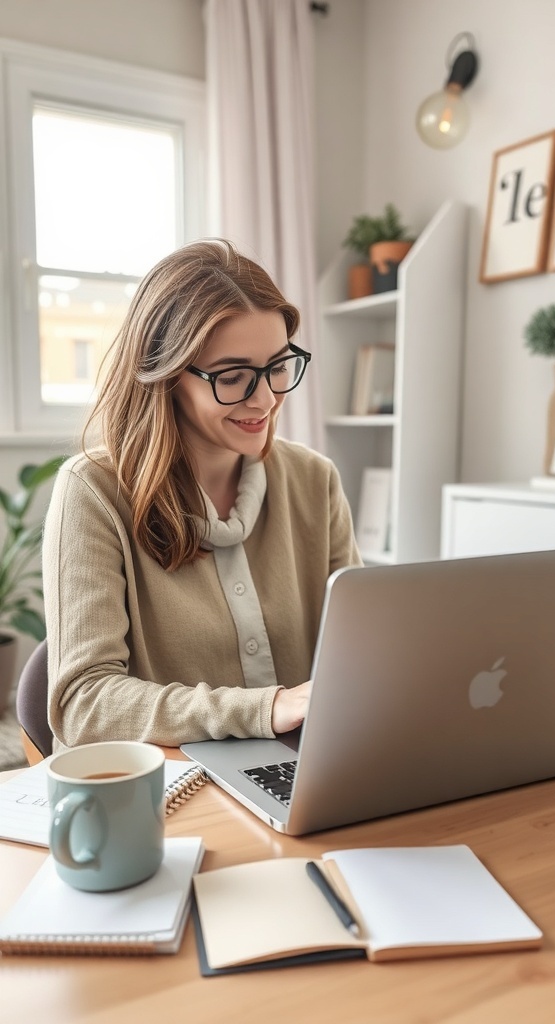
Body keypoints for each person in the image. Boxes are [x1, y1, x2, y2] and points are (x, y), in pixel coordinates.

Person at [43, 239, 361, 753]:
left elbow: (360, 651)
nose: (265, 399)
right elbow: (84, 702)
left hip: (309, 768)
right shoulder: (92, 492)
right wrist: (265, 708)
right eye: (233, 377)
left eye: (278, 366)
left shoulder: (313, 479)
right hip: (171, 790)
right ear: (166, 376)